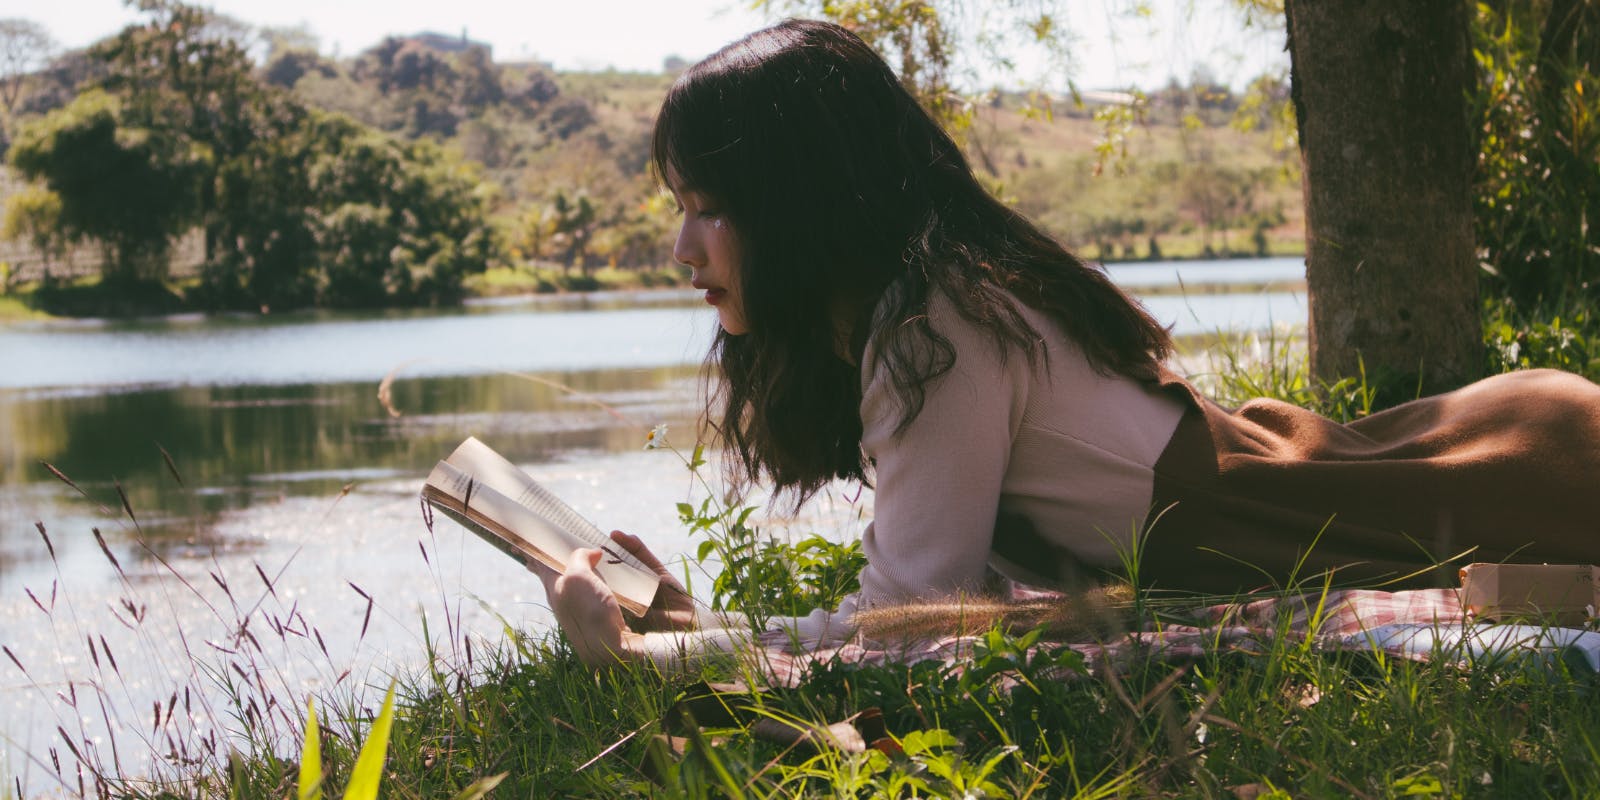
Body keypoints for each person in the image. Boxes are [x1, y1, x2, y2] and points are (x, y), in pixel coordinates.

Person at [536, 19, 1600, 668]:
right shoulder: (931, 300)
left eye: (709, 205)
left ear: (800, 203)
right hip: (1430, 464)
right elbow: (941, 603)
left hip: (1516, 481)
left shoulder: (934, 327)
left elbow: (907, 620)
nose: (680, 246)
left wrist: (669, 650)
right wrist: (692, 624)